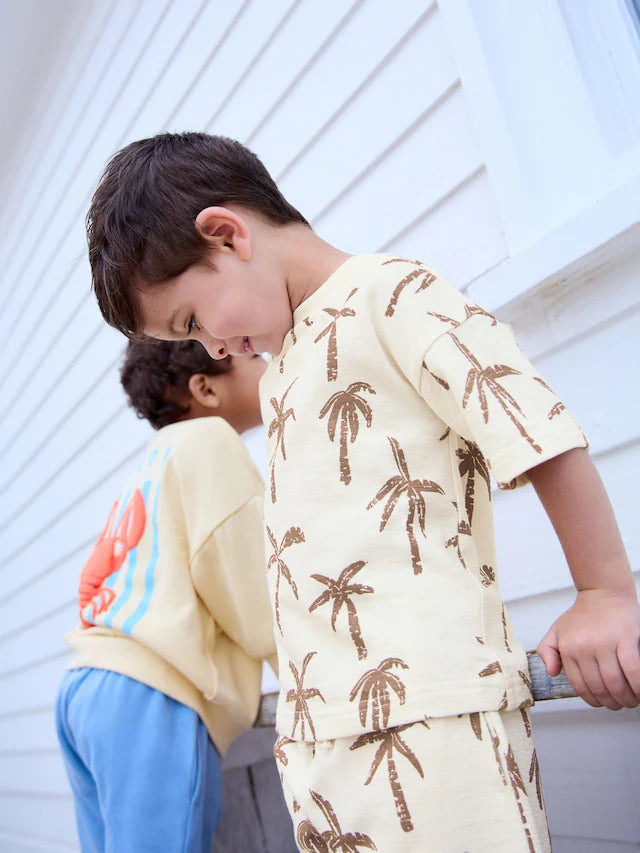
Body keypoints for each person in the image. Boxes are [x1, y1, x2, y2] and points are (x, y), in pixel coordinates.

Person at [85, 132, 640, 852]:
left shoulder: (391, 293)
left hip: (434, 722)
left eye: (191, 321)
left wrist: (603, 591)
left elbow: (532, 426)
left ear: (225, 234)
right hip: (323, 751)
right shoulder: (282, 375)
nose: (212, 349)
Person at [55, 339, 276, 853]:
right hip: (147, 693)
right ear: (205, 389)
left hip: (87, 685)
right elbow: (254, 594)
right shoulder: (210, 443)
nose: (268, 362)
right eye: (253, 359)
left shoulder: (153, 463)